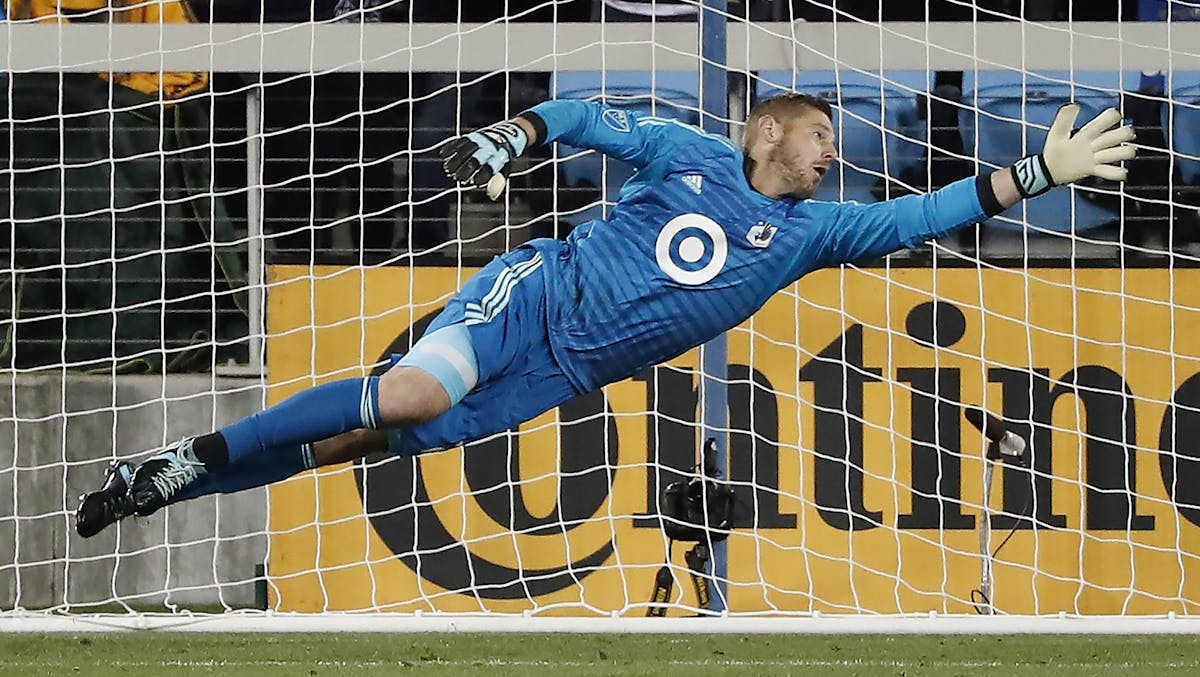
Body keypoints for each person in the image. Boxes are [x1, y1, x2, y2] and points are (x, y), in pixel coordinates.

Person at [74, 91, 1135, 537]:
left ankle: (161, 480)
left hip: (562, 375)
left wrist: (1039, 170)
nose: (833, 153)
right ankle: (195, 449)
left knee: (369, 433)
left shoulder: (813, 234)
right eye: (819, 137)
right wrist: (512, 139)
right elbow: (585, 114)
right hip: (532, 294)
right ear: (767, 131)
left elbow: (930, 211)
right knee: (409, 386)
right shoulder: (691, 154)